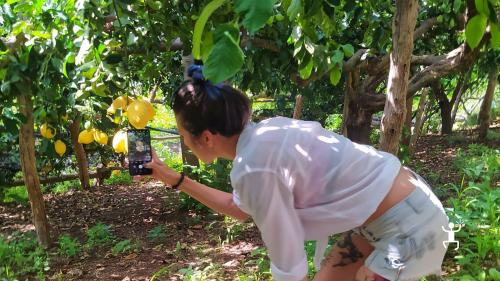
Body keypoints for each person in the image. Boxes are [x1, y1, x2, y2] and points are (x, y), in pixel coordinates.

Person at [141, 65, 450, 281]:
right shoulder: (263, 139)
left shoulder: (254, 165)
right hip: (397, 213)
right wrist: (171, 177)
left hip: (411, 228)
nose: (184, 141)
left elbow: (289, 266)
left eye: (183, 134)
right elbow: (239, 209)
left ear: (206, 137)